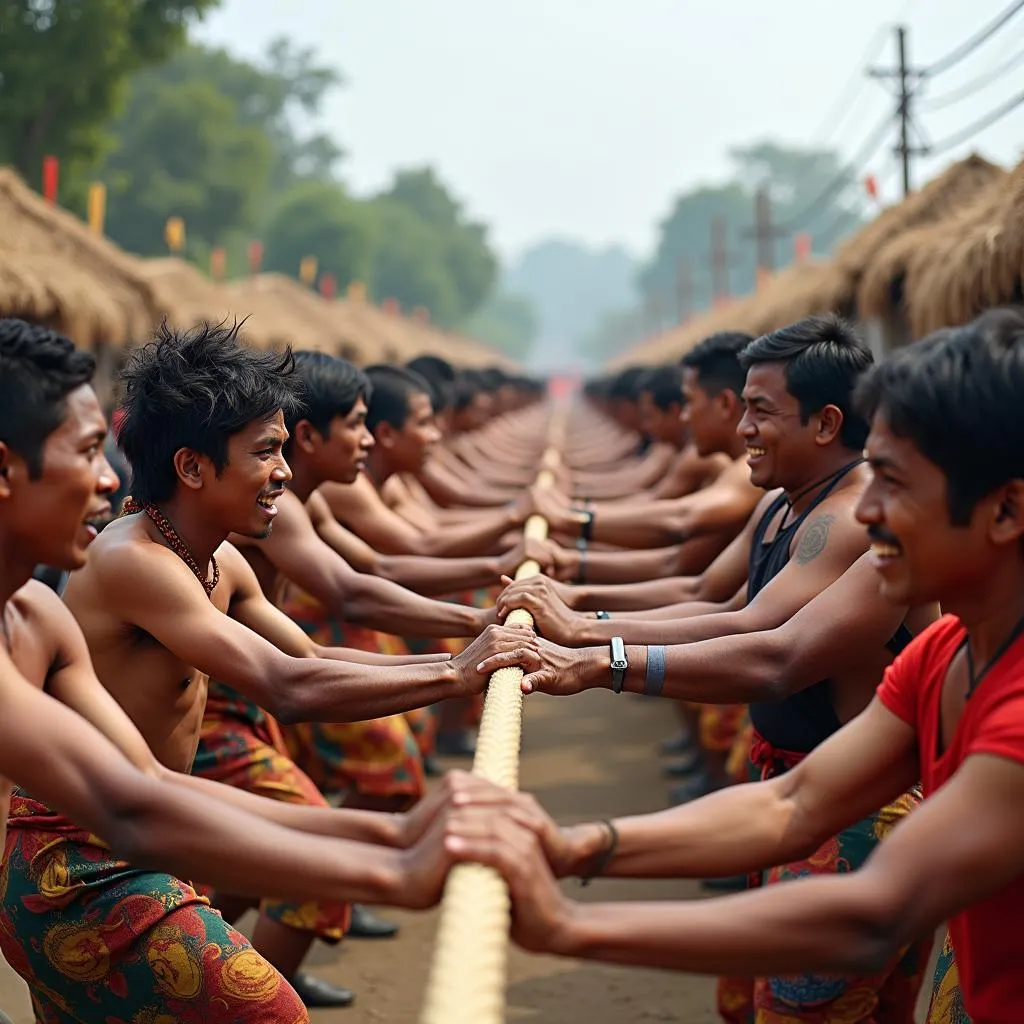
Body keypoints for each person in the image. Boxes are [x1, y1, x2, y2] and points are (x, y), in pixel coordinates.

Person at [461, 309, 1024, 1024]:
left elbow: (872, 911)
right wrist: (567, 845)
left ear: (1005, 511)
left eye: (896, 483)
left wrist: (569, 923)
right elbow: (792, 805)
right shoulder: (944, 658)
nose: (870, 511)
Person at [0, 318, 543, 1024]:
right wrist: (454, 677)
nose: (108, 480)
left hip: (142, 838)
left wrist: (399, 836)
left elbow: (160, 779)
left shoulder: (61, 604)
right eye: (265, 451)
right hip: (81, 873)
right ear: (193, 468)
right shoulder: (131, 559)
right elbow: (286, 686)